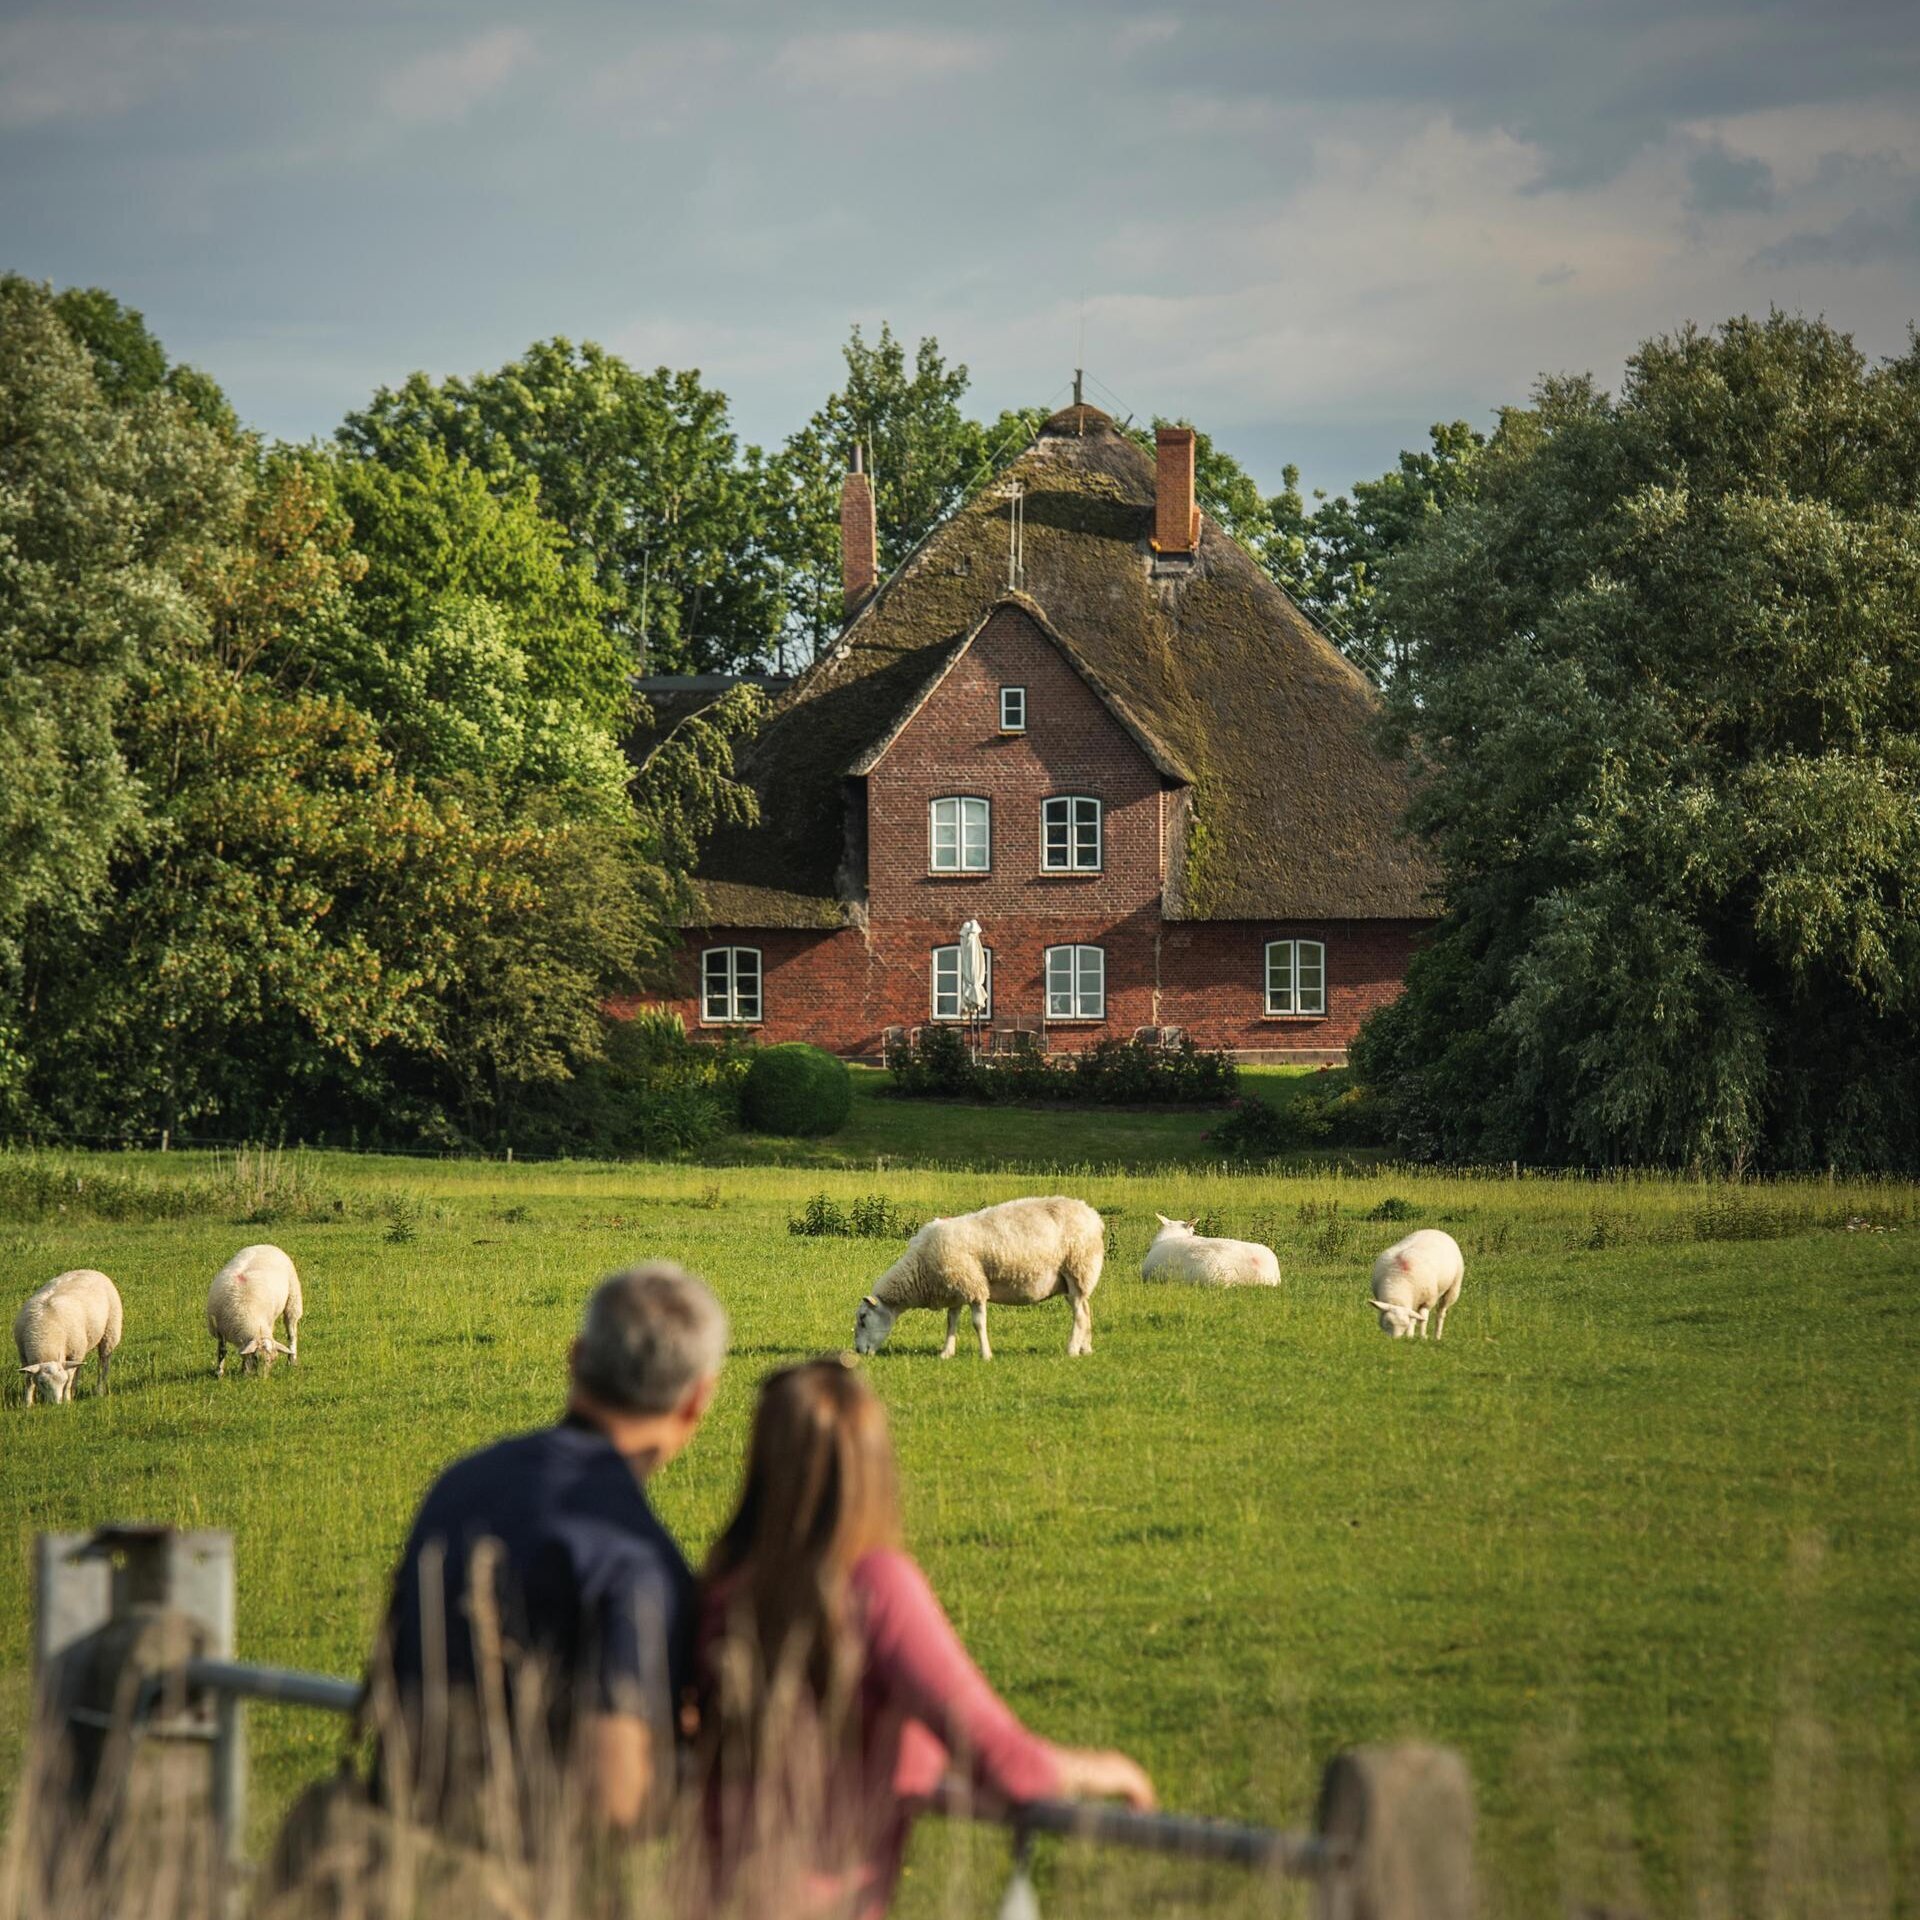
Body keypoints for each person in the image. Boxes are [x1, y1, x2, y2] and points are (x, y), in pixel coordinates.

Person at [696, 1358, 1153, 1917]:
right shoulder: (874, 1587)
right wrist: (1107, 1771)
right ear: (874, 1464)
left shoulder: (719, 1589)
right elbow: (1008, 1765)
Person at [370, 1261, 727, 1842]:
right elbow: (614, 1804)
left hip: (399, 1861)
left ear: (576, 1358)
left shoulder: (459, 1486)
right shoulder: (636, 1561)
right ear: (697, 1400)